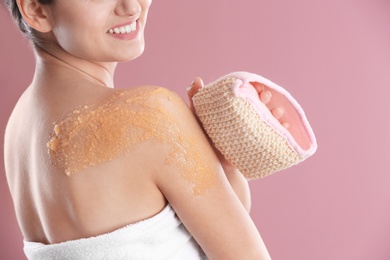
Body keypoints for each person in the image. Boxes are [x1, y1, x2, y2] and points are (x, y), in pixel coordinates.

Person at [1, 0, 308, 259]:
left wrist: (218, 165)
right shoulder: (148, 115)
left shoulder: (18, 127)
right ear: (37, 11)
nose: (131, 6)